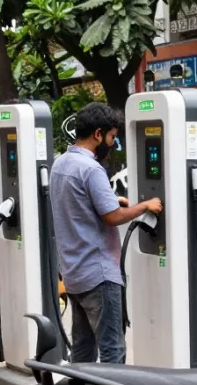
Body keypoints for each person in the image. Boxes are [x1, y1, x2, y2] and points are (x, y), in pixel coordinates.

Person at [50, 102, 162, 364]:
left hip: (74, 273)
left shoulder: (61, 164)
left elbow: (80, 206)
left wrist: (114, 200)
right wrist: (145, 206)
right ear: (98, 134)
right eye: (112, 137)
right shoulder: (91, 169)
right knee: (112, 350)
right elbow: (112, 217)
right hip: (99, 274)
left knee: (83, 349)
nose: (112, 144)